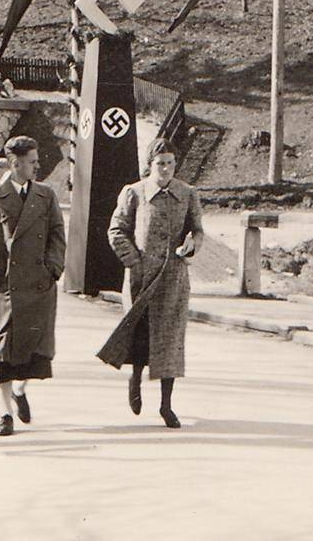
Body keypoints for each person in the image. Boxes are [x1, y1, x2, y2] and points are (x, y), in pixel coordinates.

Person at [105, 137, 205, 429]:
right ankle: (135, 379)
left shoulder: (188, 194)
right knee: (139, 335)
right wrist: (133, 261)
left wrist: (191, 247)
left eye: (171, 163)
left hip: (173, 278)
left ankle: (166, 405)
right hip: (140, 278)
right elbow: (117, 230)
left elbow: (198, 231)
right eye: (160, 163)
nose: (166, 169)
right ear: (149, 166)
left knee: (170, 341)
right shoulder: (133, 193)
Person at [0, 134, 66, 437]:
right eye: (31, 162)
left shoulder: (46, 195)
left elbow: (56, 235)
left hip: (38, 286)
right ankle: (5, 412)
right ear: (15, 164)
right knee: (1, 354)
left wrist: (52, 269)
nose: (37, 166)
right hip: (4, 289)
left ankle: (20, 390)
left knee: (33, 353)